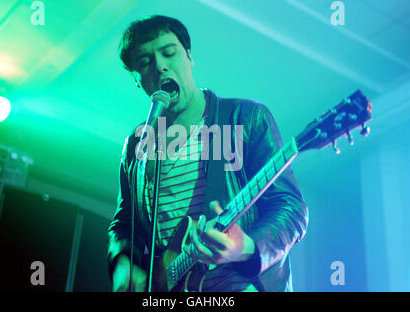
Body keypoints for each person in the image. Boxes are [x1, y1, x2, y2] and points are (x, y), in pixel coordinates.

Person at [107, 15, 308, 292]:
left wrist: (246, 247)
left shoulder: (245, 118)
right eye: (145, 63)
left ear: (189, 56)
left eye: (169, 53)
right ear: (137, 80)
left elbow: (291, 208)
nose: (160, 66)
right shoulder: (137, 145)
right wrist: (123, 264)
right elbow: (124, 223)